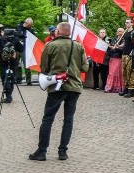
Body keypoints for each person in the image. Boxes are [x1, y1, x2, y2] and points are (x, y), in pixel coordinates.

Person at [28, 22, 88, 162]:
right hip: (74, 87)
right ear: (69, 32)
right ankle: (63, 152)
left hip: (56, 86)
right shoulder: (78, 46)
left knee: (48, 119)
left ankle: (42, 151)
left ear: (58, 32)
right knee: (68, 120)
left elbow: (44, 67)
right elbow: (85, 67)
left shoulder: (50, 45)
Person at [119, 19, 134, 97]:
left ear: (132, 24)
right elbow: (124, 43)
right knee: (125, 72)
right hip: (124, 54)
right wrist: (119, 46)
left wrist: (132, 53)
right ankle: (126, 88)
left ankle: (131, 90)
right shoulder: (126, 33)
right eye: (125, 22)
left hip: (130, 55)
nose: (126, 23)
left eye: (128, 22)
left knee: (131, 72)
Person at [104, 27, 125, 93]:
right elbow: (111, 46)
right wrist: (110, 46)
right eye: (118, 31)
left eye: (120, 31)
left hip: (119, 58)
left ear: (123, 32)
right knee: (111, 73)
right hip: (112, 58)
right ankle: (110, 87)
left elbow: (123, 48)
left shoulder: (124, 40)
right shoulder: (114, 39)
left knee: (116, 73)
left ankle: (118, 88)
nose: (118, 32)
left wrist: (117, 47)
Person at [15, 18, 35, 85]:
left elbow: (34, 38)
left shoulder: (31, 30)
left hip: (25, 49)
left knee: (27, 65)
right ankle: (18, 79)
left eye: (30, 25)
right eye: (29, 25)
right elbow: (16, 35)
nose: (30, 26)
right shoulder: (18, 27)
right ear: (25, 23)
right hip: (17, 48)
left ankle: (28, 80)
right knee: (17, 64)